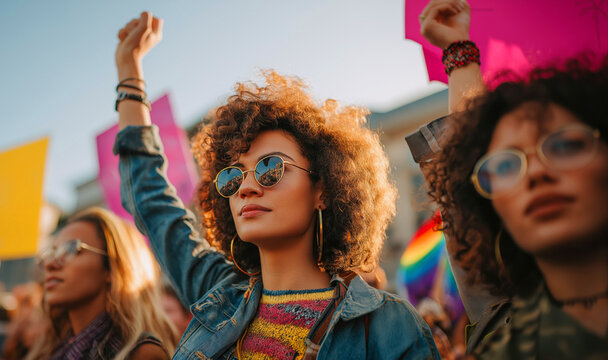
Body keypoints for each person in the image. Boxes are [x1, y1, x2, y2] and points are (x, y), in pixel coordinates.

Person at [112, 12, 439, 359]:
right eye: (232, 176)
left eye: (270, 169)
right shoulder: (217, 293)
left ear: (323, 190)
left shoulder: (389, 325)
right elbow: (153, 203)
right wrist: (129, 73)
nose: (246, 188)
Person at [416, 0, 608, 357]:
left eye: (564, 145)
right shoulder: (499, 345)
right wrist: (459, 51)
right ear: (488, 209)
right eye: (505, 166)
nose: (535, 171)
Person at [27, 207, 178, 360]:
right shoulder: (48, 351)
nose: (50, 264)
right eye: (52, 252)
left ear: (112, 267)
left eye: (71, 248)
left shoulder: (141, 354)